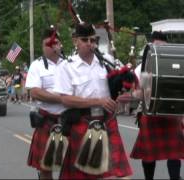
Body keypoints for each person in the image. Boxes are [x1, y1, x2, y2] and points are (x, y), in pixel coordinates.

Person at [53, 23, 132, 179]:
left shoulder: (108, 62)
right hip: (82, 122)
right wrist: (98, 101)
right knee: (85, 175)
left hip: (108, 121)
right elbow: (65, 100)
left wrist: (124, 94)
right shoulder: (66, 67)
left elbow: (127, 83)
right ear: (75, 41)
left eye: (93, 40)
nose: (90, 43)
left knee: (118, 173)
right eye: (85, 40)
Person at [120, 31, 183, 180]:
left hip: (171, 114)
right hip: (150, 114)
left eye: (163, 47)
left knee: (175, 153)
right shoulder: (140, 68)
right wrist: (133, 96)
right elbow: (138, 93)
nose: (160, 51)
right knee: (149, 155)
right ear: (151, 48)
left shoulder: (178, 64)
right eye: (157, 47)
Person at [26, 26, 66, 179]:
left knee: (70, 165)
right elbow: (35, 92)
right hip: (47, 120)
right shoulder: (37, 65)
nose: (50, 47)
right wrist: (62, 98)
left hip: (69, 120)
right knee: (45, 167)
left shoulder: (69, 64)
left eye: (53, 43)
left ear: (59, 45)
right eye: (46, 45)